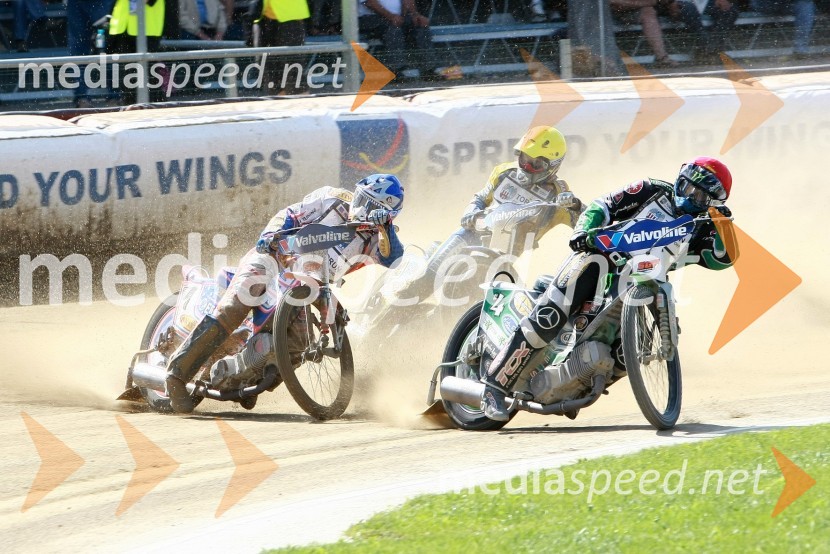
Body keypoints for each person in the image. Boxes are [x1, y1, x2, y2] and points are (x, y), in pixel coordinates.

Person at [480, 157, 738, 421]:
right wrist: (585, 231)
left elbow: (723, 258)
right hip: (599, 258)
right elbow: (602, 205)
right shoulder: (650, 189)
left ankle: (574, 386)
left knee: (629, 353)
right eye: (688, 188)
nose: (690, 197)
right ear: (679, 179)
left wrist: (725, 225)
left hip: (646, 279)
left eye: (700, 196)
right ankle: (493, 388)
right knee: (551, 314)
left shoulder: (703, 225)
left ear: (712, 203)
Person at [164, 174, 406, 413]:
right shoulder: (332, 199)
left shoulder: (377, 239)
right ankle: (176, 374)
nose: (362, 208)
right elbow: (291, 214)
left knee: (299, 345)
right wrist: (270, 236)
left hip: (307, 284)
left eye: (373, 207)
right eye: (362, 200)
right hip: (273, 258)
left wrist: (384, 228)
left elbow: (393, 258)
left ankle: (246, 377)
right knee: (241, 300)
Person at [397, 126, 584, 303]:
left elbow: (586, 221)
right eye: (524, 159)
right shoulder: (504, 172)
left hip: (504, 259)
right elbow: (480, 198)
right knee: (428, 278)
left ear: (553, 165)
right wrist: (471, 213)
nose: (526, 166)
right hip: (472, 234)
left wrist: (575, 206)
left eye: (536, 164)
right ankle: (398, 301)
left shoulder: (559, 194)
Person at [358, 0, 436, 79]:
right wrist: (391, 16)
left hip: (397, 17)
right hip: (369, 17)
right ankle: (396, 70)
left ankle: (429, 69)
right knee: (393, 30)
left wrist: (415, 15)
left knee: (420, 26)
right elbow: (370, 3)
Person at [108, 0, 166, 103]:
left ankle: (154, 109)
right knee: (127, 77)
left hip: (147, 28)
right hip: (122, 26)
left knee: (149, 76)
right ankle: (130, 107)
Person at [249, 0, 311, 95]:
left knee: (293, 66)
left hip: (290, 15)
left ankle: (302, 104)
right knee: (268, 68)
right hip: (263, 16)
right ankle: (280, 100)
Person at [67, 0, 116, 108]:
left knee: (108, 47)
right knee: (78, 49)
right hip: (77, 4)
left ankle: (115, 95)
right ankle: (81, 97)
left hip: (101, 3)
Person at [663, 0, 738, 63]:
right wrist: (670, 2)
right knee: (689, 8)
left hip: (706, 2)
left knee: (729, 11)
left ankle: (712, 51)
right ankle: (708, 50)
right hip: (678, 3)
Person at [610, 0, 678, 67]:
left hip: (652, 8)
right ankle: (661, 57)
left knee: (650, 11)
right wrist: (648, 3)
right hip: (618, 13)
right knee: (648, 12)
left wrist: (671, 2)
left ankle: (662, 57)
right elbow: (613, 2)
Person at [749, 0, 815, 58]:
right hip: (765, 3)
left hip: (787, 4)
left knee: (805, 3)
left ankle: (800, 49)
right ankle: (800, 48)